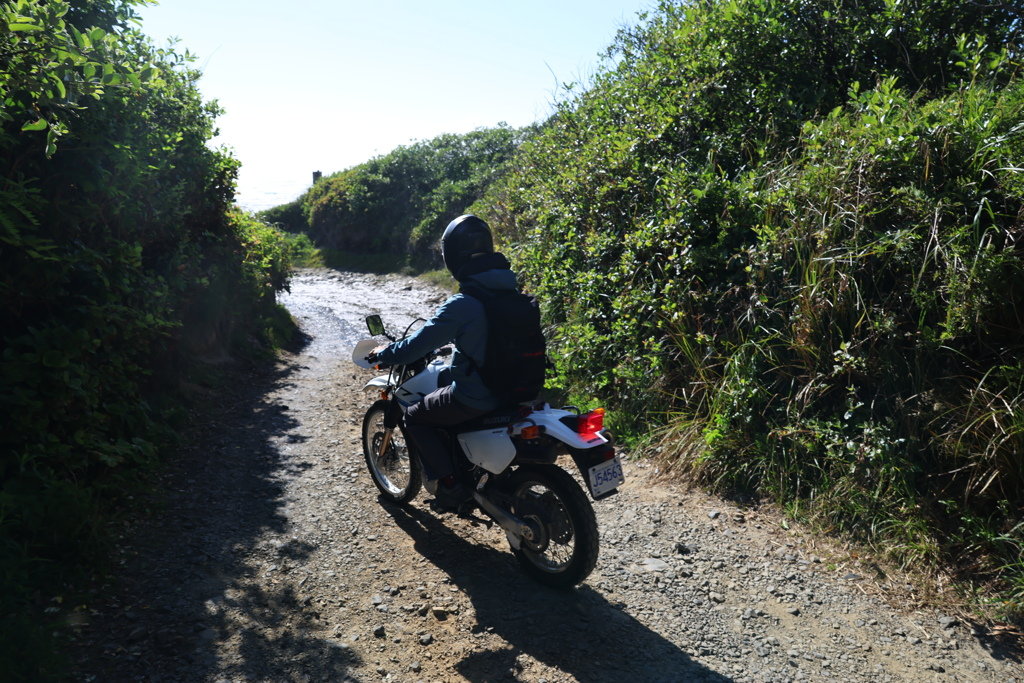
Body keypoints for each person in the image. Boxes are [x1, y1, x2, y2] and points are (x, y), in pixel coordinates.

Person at [368, 214, 518, 509]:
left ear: (452, 256)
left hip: (480, 395)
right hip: (521, 387)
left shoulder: (465, 303)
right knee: (446, 380)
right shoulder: (513, 295)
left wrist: (384, 354)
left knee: (415, 416)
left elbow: (416, 346)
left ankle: (450, 486)